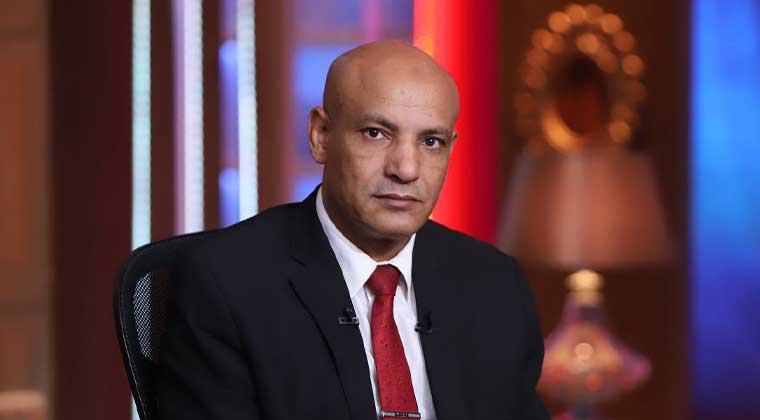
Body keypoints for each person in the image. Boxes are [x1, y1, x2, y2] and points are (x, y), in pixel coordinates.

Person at [157, 40, 549, 420]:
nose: (406, 169)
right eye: (376, 133)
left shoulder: (495, 285)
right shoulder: (225, 282)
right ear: (321, 136)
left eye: (431, 142)